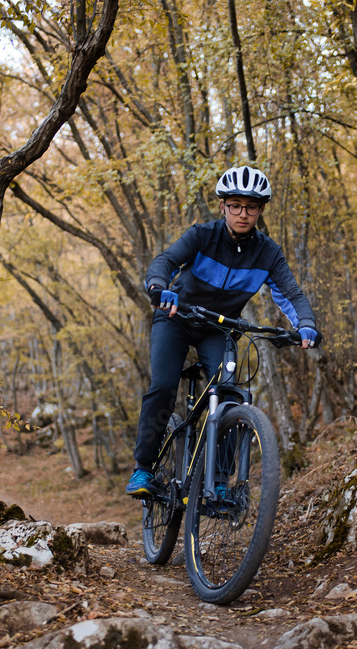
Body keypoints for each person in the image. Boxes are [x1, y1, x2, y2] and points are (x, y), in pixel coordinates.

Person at [125, 166, 318, 497]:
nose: (243, 214)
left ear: (261, 210)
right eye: (235, 206)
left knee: (229, 397)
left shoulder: (268, 252)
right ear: (223, 206)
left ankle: (217, 481)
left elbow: (291, 294)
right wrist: (158, 287)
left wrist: (306, 324)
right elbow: (165, 261)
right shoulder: (202, 236)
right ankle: (143, 468)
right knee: (164, 386)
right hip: (176, 319)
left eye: (251, 207)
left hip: (219, 329)